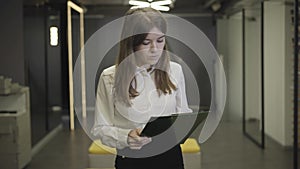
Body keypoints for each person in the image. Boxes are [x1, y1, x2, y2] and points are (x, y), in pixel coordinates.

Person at [91, 7, 192, 169]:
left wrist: (187, 125)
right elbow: (100, 129)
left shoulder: (175, 70)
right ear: (131, 43)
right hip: (132, 160)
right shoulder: (109, 77)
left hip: (170, 158)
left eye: (160, 40)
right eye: (146, 42)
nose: (155, 49)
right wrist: (125, 137)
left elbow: (183, 113)